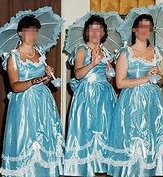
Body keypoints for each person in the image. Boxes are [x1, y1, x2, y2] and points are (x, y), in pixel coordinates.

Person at [107, 14, 163, 177]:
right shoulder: (125, 53)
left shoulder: (158, 52)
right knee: (133, 138)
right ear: (134, 29)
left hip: (153, 101)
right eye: (141, 26)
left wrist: (159, 74)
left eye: (148, 27)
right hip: (132, 102)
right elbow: (120, 83)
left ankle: (150, 171)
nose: (145, 30)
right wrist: (145, 78)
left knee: (152, 136)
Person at [0, 15, 64, 177]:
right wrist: (32, 81)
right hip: (24, 104)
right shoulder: (13, 56)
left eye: (35, 31)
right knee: (27, 141)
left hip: (43, 102)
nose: (32, 35)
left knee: (44, 139)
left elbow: (43, 81)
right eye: (28, 31)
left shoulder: (40, 53)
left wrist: (48, 77)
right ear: (20, 33)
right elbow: (14, 86)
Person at [64, 15, 116, 176]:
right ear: (87, 32)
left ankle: (101, 164)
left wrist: (109, 71)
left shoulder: (106, 51)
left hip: (105, 94)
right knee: (86, 128)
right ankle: (83, 166)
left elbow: (111, 77)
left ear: (103, 32)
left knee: (105, 129)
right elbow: (78, 74)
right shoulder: (81, 49)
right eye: (92, 29)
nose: (95, 32)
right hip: (87, 93)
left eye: (99, 29)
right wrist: (92, 63)